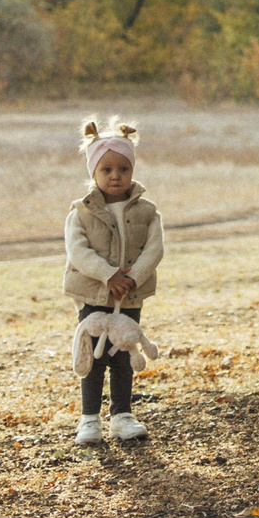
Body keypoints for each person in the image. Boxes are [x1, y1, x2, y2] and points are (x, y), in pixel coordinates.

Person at [67, 119, 166, 445]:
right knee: (93, 359)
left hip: (130, 296)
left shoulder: (147, 212)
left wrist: (132, 278)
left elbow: (154, 249)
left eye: (123, 169)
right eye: (106, 169)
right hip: (95, 294)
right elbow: (77, 251)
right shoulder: (81, 212)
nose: (115, 176)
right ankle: (89, 419)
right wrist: (108, 274)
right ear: (94, 173)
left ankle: (122, 415)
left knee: (122, 354)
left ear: (132, 171)